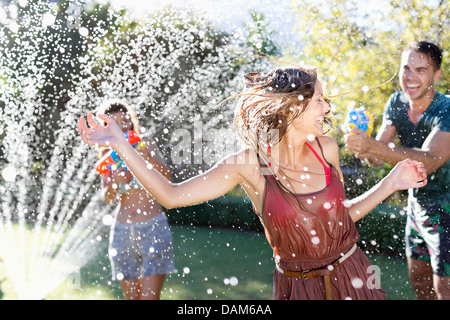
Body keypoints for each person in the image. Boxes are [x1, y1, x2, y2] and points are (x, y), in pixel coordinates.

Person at [79, 67, 427, 300]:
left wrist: (391, 183)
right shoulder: (248, 165)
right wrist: (120, 144)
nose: (328, 108)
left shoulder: (327, 150)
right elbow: (171, 195)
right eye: (320, 100)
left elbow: (340, 217)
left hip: (355, 274)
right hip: (299, 287)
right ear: (292, 107)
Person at [345, 41, 450, 300]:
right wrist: (363, 144)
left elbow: (430, 160)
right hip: (417, 209)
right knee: (421, 286)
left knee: (444, 291)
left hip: (448, 212)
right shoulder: (396, 102)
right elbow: (377, 158)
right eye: (406, 68)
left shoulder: (446, 109)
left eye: (420, 70)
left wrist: (373, 147)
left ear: (437, 74)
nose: (410, 77)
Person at [97, 99, 176, 300]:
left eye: (125, 121)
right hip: (122, 231)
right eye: (115, 124)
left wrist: (145, 157)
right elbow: (107, 198)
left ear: (131, 122)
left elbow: (167, 177)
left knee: (150, 298)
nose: (123, 127)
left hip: (153, 227)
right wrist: (115, 181)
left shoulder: (144, 143)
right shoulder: (108, 155)